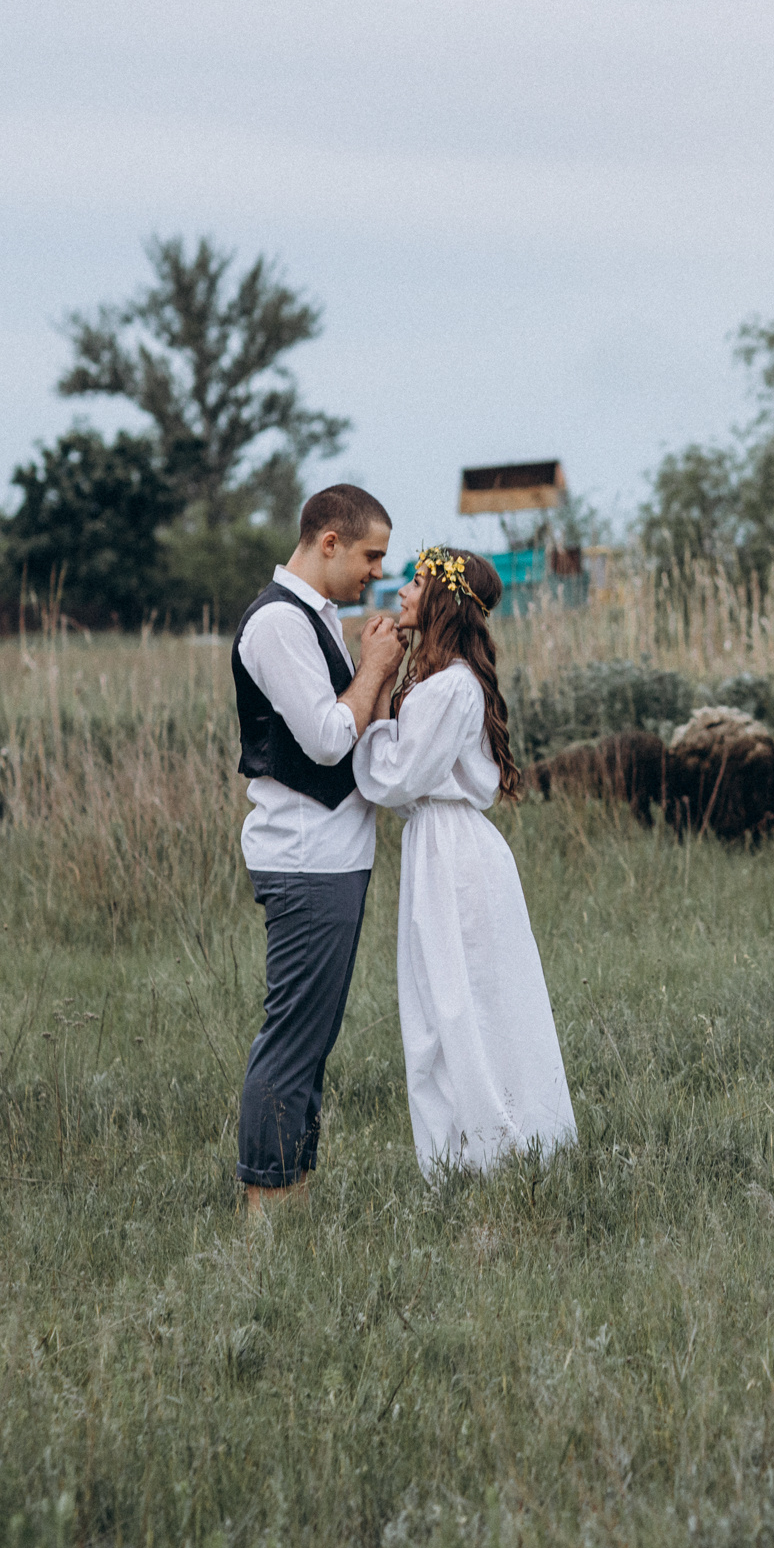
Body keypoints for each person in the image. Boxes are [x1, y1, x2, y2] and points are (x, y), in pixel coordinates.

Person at [352, 547, 578, 1174]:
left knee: (463, 998)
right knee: (440, 1000)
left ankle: (495, 1146)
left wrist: (373, 691)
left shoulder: (451, 686)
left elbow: (397, 777)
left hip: (454, 853)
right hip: (436, 845)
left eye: (416, 582)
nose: (402, 591)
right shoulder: (437, 682)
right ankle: (460, 1152)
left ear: (443, 601)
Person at [230, 484, 404, 1215]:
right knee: (294, 1038)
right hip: (305, 859)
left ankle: (290, 1193)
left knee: (312, 1036)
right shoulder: (278, 623)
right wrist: (374, 670)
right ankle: (266, 1205)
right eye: (371, 555)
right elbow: (330, 739)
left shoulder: (315, 616)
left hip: (333, 856)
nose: (378, 572)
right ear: (329, 542)